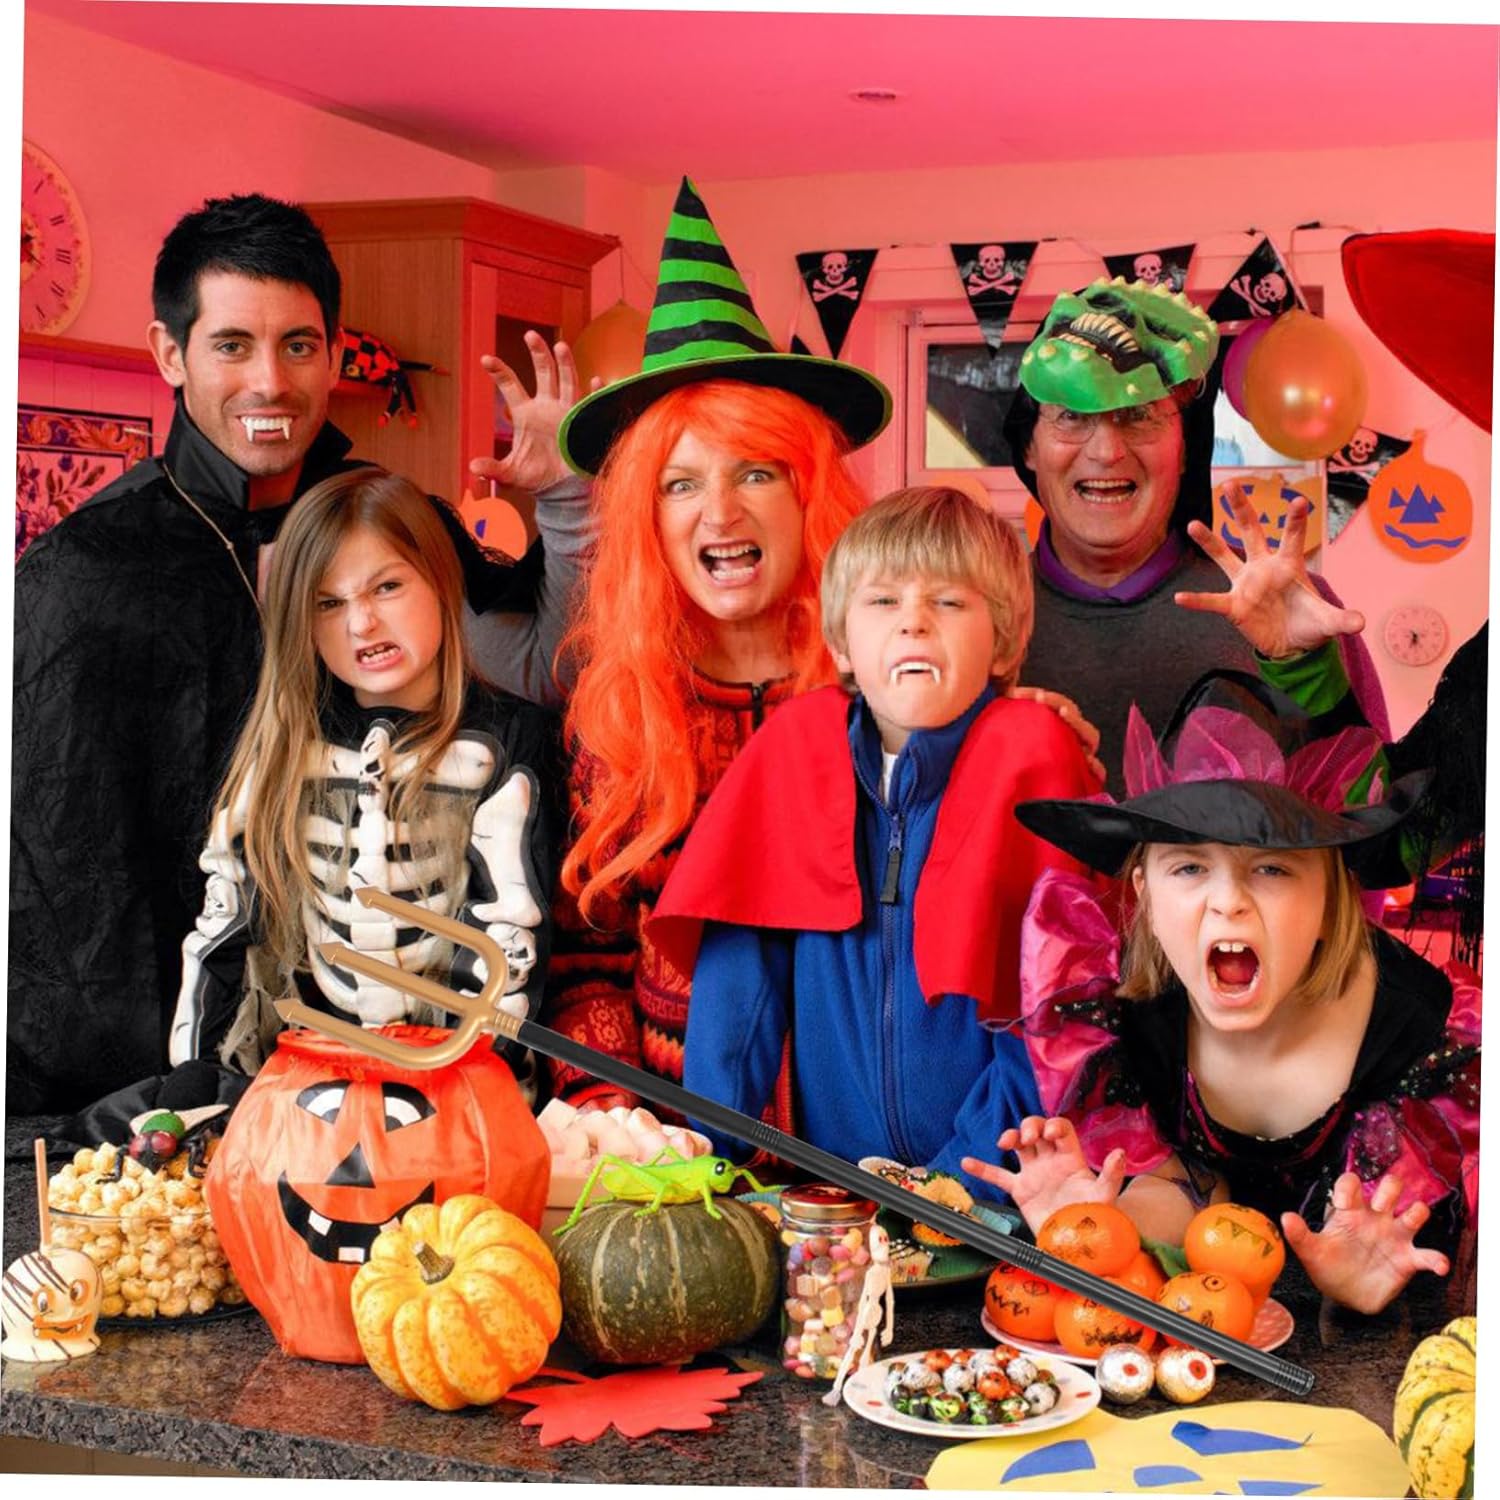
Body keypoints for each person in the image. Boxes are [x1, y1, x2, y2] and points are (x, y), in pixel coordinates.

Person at [10, 194, 569, 1112]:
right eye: (232, 345)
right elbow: (51, 870)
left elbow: (550, 664)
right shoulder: (79, 574)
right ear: (170, 355)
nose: (270, 382)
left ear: (334, 353)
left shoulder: (386, 517)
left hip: (389, 1055)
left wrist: (565, 500)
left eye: (298, 345)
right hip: (138, 1075)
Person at [962, 672, 1479, 1315]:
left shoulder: (1425, 1037)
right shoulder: (1126, 1013)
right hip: (1206, 1317)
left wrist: (1358, 1291)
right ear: (1146, 896)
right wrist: (1097, 1226)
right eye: (1189, 867)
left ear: (1330, 899)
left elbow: (1407, 1245)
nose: (1228, 901)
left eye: (1271, 868)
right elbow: (1181, 1192)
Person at [659, 487, 1098, 1197]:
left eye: (948, 602)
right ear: (840, 643)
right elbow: (737, 988)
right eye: (883, 601)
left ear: (1005, 643)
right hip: (836, 1197)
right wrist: (711, 1149)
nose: (914, 622)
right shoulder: (793, 751)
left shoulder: (1033, 757)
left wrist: (961, 1182)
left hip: (1002, 1192)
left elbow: (1054, 1006)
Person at [167, 468, 558, 1078]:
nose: (361, 624)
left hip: (467, 1085)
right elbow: (227, 926)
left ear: (440, 577)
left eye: (387, 587)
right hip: (308, 1077)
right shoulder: (282, 743)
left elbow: (510, 954)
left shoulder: (510, 740)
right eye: (329, 603)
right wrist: (196, 1085)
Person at [1003, 278, 1389, 784]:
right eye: (1072, 416)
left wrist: (1305, 669)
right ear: (1028, 447)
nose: (1106, 452)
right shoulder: (971, 613)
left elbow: (1376, 817)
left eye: (1139, 416)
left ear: (1186, 448)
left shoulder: (1290, 608)